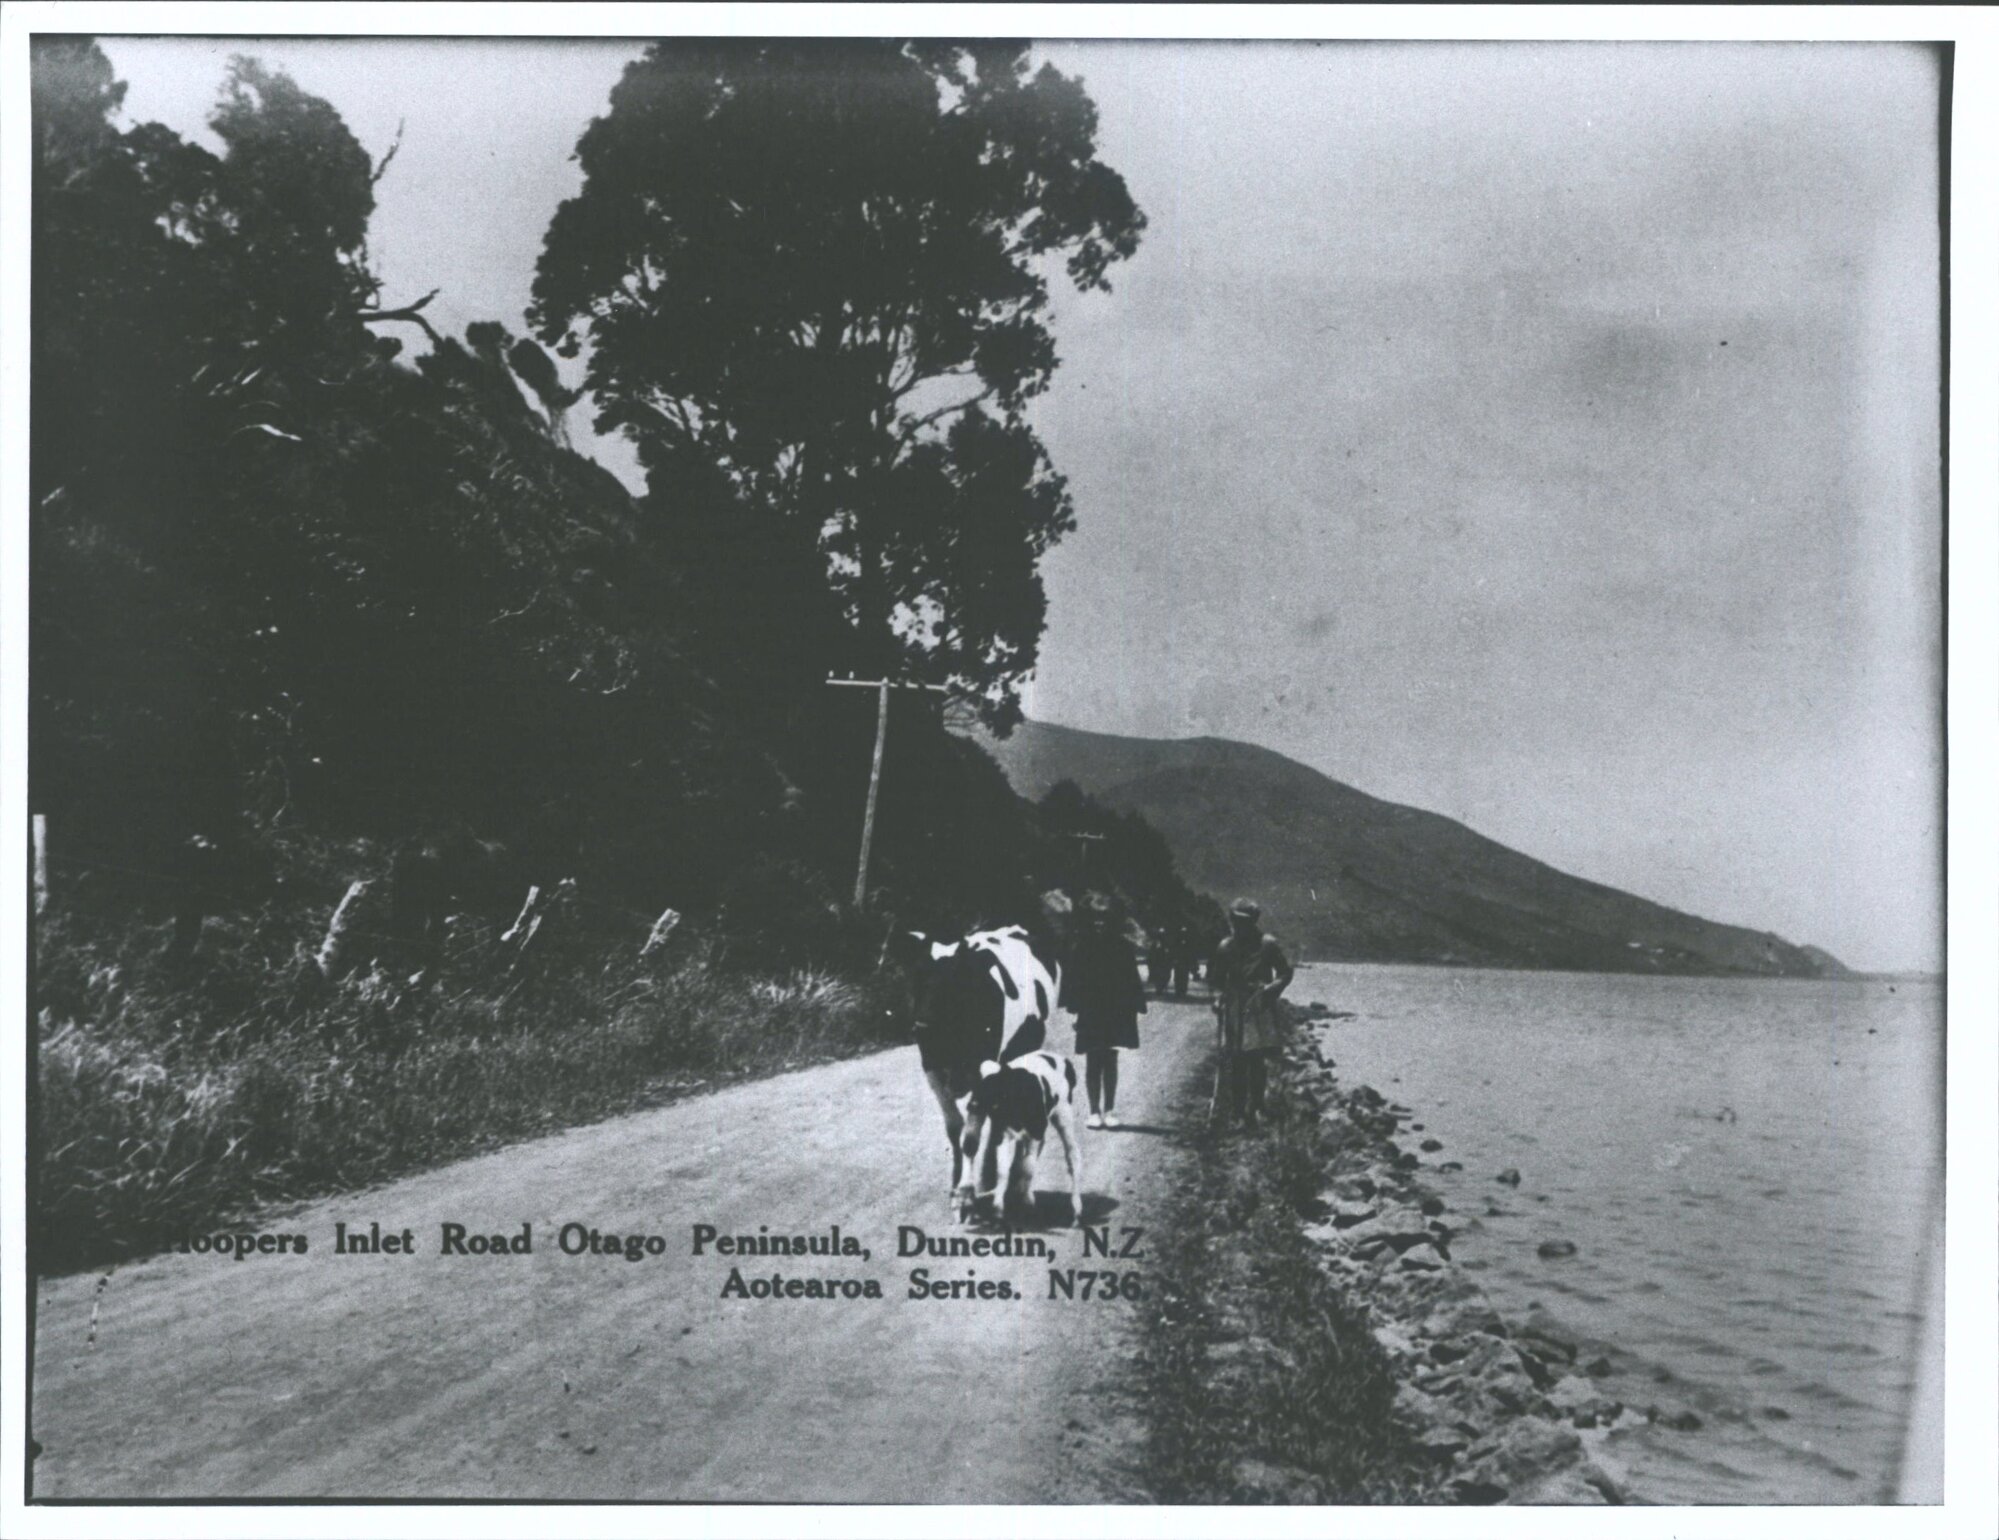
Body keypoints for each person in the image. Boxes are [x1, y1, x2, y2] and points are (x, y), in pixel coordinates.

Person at [1064, 893, 1147, 1130]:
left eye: (1104, 920)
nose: (1099, 924)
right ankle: (1093, 1111)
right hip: (1091, 1009)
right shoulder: (1082, 946)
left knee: (1110, 1057)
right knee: (1092, 1058)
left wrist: (1135, 1005)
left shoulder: (1121, 946)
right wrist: (1075, 1006)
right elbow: (1074, 979)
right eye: (1095, 920)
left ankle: (1110, 1110)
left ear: (1111, 921)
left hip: (1115, 1008)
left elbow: (1131, 978)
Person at [1209, 897, 1294, 1127]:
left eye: (1243, 921)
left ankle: (1256, 1106)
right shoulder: (1226, 946)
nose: (1238, 925)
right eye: (1235, 920)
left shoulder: (1267, 944)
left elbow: (1285, 972)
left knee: (1257, 1059)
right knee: (1237, 1060)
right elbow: (1216, 980)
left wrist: (1272, 988)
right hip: (1236, 1005)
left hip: (1260, 1004)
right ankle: (1237, 1111)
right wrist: (1218, 998)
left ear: (1253, 921)